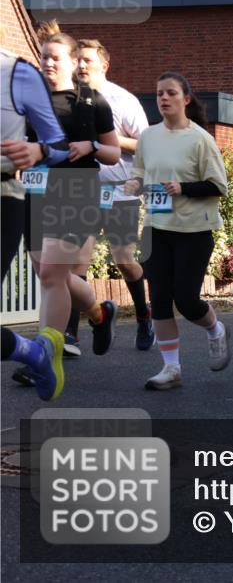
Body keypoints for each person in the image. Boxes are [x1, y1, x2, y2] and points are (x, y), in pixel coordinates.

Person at [125, 72, 230, 390]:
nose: (163, 98)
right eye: (159, 94)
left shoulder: (201, 139)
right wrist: (134, 182)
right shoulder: (148, 136)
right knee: (158, 298)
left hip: (193, 230)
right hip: (155, 227)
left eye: (170, 93)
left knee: (185, 300)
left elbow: (218, 186)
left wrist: (182, 187)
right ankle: (171, 368)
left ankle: (215, 329)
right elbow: (140, 170)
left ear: (185, 99)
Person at [30, 22, 120, 359]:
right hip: (37, 192)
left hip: (78, 190)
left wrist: (91, 145)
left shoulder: (92, 102)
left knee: (53, 272)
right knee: (48, 273)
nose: (48, 63)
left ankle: (44, 356)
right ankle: (100, 314)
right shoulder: (28, 101)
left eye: (55, 58)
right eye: (44, 58)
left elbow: (113, 153)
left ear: (72, 62)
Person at [69, 39, 154, 354]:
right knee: (76, 263)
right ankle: (70, 335)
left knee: (125, 260)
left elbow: (146, 145)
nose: (80, 65)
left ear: (104, 65)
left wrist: (108, 140)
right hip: (83, 192)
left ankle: (144, 316)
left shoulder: (123, 100)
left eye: (87, 60)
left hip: (119, 192)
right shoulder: (70, 99)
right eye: (77, 59)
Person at [1, 48, 69, 400]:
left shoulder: (18, 74)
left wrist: (38, 151)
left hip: (3, 198)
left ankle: (38, 352)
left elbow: (59, 144)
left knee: (51, 272)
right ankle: (34, 353)